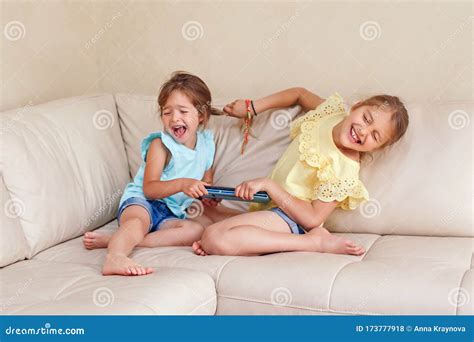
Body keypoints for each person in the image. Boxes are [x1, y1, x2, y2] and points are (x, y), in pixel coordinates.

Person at [192, 87, 409, 257]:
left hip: (292, 221)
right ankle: (240, 244)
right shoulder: (331, 113)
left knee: (213, 238)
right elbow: (299, 94)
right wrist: (252, 107)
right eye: (366, 118)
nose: (363, 131)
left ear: (376, 149)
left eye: (375, 136)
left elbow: (313, 219)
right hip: (267, 208)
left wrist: (270, 186)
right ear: (357, 106)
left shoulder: (343, 169)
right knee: (199, 211)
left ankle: (313, 243)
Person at [83, 72, 220, 276]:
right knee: (136, 223)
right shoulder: (161, 145)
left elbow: (206, 181)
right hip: (142, 202)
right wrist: (183, 184)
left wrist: (208, 195)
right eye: (167, 113)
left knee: (197, 231)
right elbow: (150, 189)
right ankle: (116, 256)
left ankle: (118, 240)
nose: (175, 118)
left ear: (201, 115)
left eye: (183, 111)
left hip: (171, 211)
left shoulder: (207, 145)